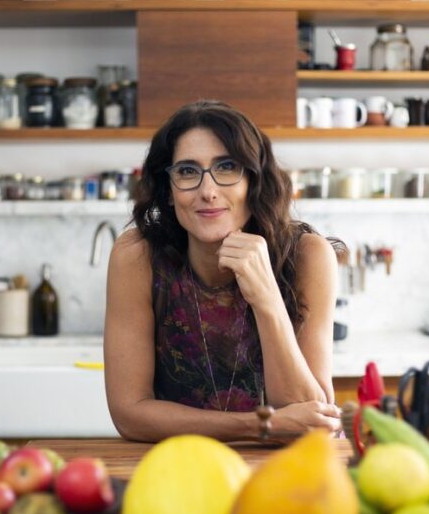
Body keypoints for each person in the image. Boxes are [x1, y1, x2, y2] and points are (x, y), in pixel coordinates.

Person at [104, 100, 343, 442]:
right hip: (178, 467)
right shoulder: (138, 256)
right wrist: (260, 425)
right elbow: (130, 414)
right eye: (187, 172)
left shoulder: (307, 256)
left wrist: (267, 299)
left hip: (284, 474)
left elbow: (311, 422)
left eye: (227, 167)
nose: (208, 191)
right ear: (168, 191)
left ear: (253, 181)